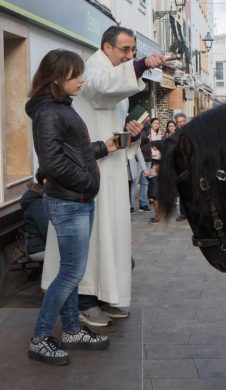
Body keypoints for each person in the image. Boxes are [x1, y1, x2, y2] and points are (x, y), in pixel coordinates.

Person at [41, 26, 169, 327]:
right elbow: (102, 89)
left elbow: (111, 121)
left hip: (109, 169)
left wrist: (132, 137)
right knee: (93, 238)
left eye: (133, 52)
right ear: (107, 47)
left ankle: (104, 296)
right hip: (86, 174)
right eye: (125, 50)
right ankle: (84, 301)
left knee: (110, 237)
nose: (129, 56)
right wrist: (143, 64)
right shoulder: (90, 69)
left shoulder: (111, 75)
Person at [25, 49, 118, 365]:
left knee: (71, 272)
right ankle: (40, 338)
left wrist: (105, 147)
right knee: (70, 273)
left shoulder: (60, 108)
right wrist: (87, 182)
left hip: (76, 201)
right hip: (69, 203)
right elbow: (52, 162)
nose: (82, 79)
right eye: (75, 74)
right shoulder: (50, 113)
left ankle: (73, 330)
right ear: (56, 78)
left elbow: (74, 152)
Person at [19, 169, 47, 262]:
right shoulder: (39, 203)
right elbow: (46, 231)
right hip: (38, 248)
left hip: (38, 245)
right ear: (45, 181)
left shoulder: (39, 197)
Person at [173, 112, 188, 221]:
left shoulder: (192, 132)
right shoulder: (174, 136)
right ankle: (183, 213)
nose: (181, 124)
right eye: (179, 122)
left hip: (191, 165)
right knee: (182, 191)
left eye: (182, 121)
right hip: (179, 167)